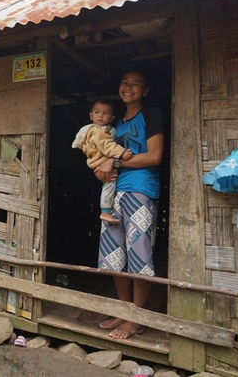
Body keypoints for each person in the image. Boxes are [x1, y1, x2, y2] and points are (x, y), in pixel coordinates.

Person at [93, 70, 164, 340]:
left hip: (141, 190)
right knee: (113, 256)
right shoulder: (113, 124)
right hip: (113, 194)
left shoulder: (151, 114)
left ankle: (137, 318)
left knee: (139, 255)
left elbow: (154, 156)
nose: (129, 87)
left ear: (144, 91)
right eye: (125, 82)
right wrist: (102, 167)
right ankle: (124, 311)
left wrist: (116, 162)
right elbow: (102, 157)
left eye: (136, 84)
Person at [72, 99, 133, 223]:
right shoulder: (98, 131)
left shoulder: (94, 129)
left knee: (108, 183)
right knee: (109, 184)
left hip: (101, 160)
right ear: (91, 115)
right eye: (97, 112)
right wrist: (121, 152)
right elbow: (106, 145)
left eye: (105, 113)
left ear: (112, 117)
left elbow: (77, 142)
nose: (100, 115)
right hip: (101, 160)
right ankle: (105, 212)